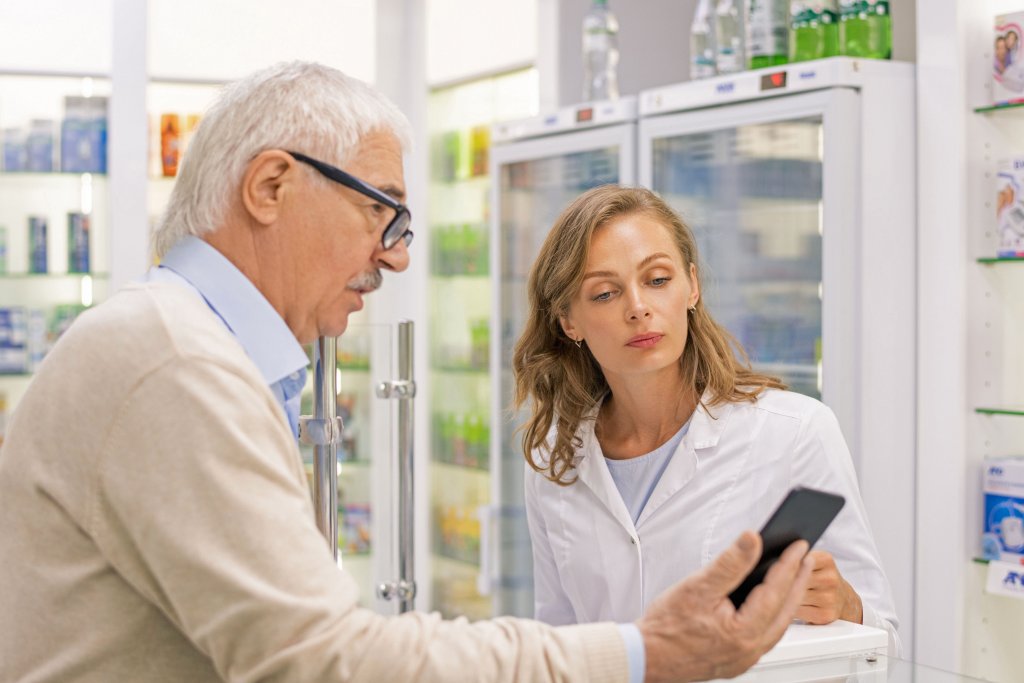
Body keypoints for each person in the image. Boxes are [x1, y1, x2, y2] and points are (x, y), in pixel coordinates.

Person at [0, 62, 814, 683]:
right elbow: (322, 657)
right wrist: (647, 650)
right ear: (271, 185)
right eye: (379, 209)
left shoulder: (188, 348)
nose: (392, 254)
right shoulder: (174, 360)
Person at [513, 185, 902, 656]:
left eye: (657, 280)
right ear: (568, 321)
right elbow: (558, 639)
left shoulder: (795, 431)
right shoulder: (554, 457)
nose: (638, 307)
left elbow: (887, 645)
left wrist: (845, 604)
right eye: (605, 293)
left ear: (692, 286)